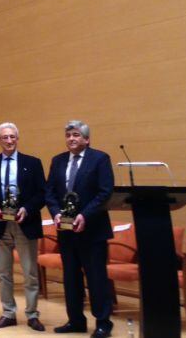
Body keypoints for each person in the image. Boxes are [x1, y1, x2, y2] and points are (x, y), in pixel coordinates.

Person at [46, 121, 114, 338]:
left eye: (76, 135)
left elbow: (105, 193)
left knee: (96, 278)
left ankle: (103, 322)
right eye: (68, 135)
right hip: (66, 231)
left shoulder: (100, 159)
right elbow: (50, 192)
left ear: (86, 139)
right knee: (71, 278)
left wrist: (84, 215)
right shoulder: (58, 161)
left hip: (92, 230)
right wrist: (56, 212)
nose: (71, 138)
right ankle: (76, 320)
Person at [0, 122, 46, 332]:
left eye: (12, 137)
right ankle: (8, 313)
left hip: (25, 224)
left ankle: (32, 314)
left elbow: (42, 194)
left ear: (17, 139)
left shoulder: (33, 163)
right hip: (1, 225)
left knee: (30, 272)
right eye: (5, 137)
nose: (9, 141)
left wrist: (27, 209)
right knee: (3, 273)